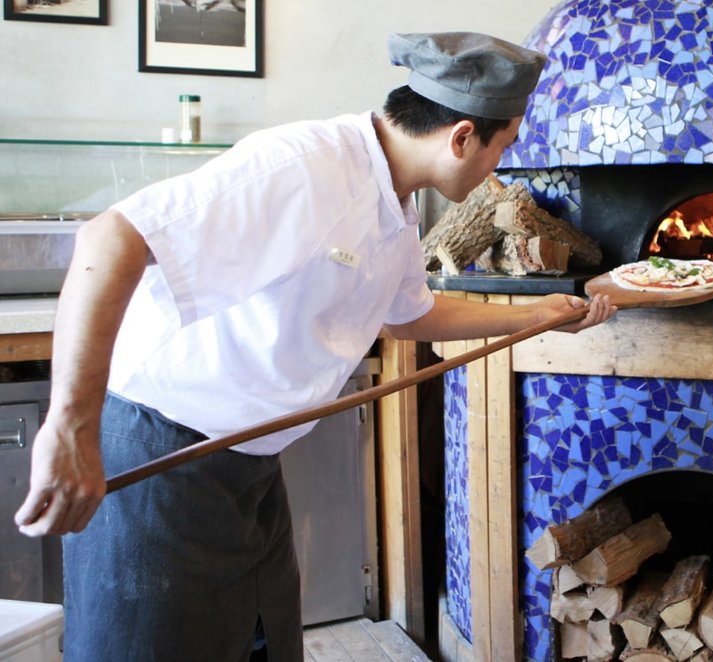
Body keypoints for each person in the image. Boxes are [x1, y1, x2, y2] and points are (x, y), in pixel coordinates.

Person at [14, 31, 615, 661]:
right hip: (163, 456)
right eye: (504, 146)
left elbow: (410, 314)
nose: (500, 167)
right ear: (462, 136)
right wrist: (71, 425)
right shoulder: (303, 166)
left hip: (246, 464)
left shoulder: (396, 201)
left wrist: (536, 315)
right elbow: (110, 239)